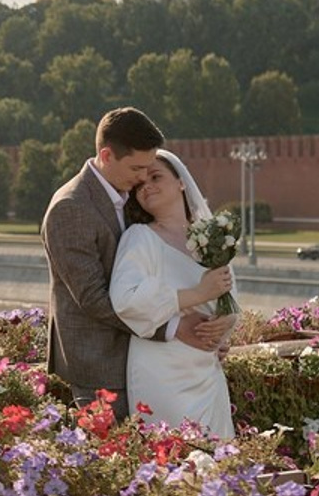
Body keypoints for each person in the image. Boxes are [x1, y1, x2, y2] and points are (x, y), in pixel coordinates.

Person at [41, 107, 218, 421]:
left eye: (150, 168)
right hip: (100, 366)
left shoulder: (132, 200)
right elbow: (94, 299)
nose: (142, 178)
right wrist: (174, 327)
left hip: (148, 360)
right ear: (107, 156)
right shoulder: (70, 208)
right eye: (137, 168)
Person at [109, 149, 235, 438]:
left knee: (217, 460)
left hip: (206, 369)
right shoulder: (140, 237)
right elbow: (126, 300)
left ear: (181, 182)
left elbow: (228, 295)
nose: (147, 186)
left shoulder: (212, 240)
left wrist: (225, 327)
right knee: (175, 456)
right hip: (162, 370)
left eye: (156, 177)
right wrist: (197, 293)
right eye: (139, 185)